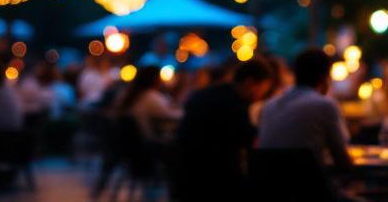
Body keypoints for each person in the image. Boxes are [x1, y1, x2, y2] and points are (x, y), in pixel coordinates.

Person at [174, 59, 276, 201]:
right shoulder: (234, 104)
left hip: (183, 173)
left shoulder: (210, 93)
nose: (262, 96)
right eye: (263, 88)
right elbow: (246, 140)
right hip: (210, 178)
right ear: (250, 82)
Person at [257, 48, 352, 170]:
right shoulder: (325, 105)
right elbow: (342, 160)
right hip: (307, 180)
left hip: (267, 179)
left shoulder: (269, 105)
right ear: (325, 77)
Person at [116, 66, 182, 140]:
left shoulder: (134, 94)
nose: (162, 80)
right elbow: (170, 115)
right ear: (155, 79)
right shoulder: (150, 96)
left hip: (134, 140)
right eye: (160, 77)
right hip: (148, 141)